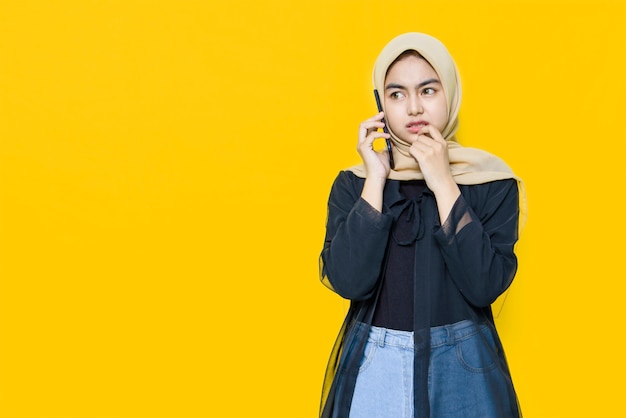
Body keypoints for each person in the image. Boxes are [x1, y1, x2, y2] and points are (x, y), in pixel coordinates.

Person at [318, 32, 527, 418]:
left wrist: (444, 181)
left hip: (461, 364)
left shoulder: (490, 182)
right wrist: (376, 179)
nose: (413, 108)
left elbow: (485, 285)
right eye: (396, 94)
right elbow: (347, 281)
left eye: (428, 90)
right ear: (381, 104)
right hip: (372, 363)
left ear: (450, 92)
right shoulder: (355, 183)